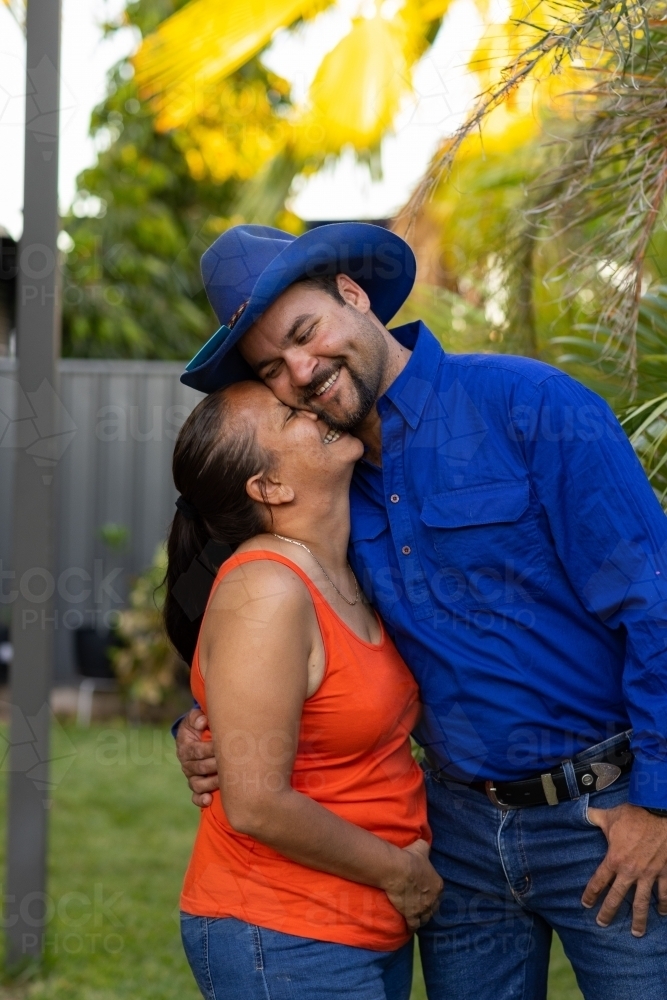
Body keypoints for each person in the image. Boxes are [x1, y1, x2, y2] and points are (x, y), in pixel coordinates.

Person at [175, 223, 667, 1000]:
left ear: (352, 293)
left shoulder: (531, 407)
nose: (301, 372)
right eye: (272, 366)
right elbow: (245, 612)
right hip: (453, 837)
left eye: (305, 333)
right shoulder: (321, 485)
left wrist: (657, 805)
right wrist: (201, 726)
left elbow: (656, 604)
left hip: (605, 818)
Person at [164, 378, 443, 1000]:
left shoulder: (343, 566)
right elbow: (257, 803)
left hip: (364, 928)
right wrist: (403, 874)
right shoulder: (266, 590)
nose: (315, 405)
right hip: (282, 932)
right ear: (270, 488)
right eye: (291, 413)